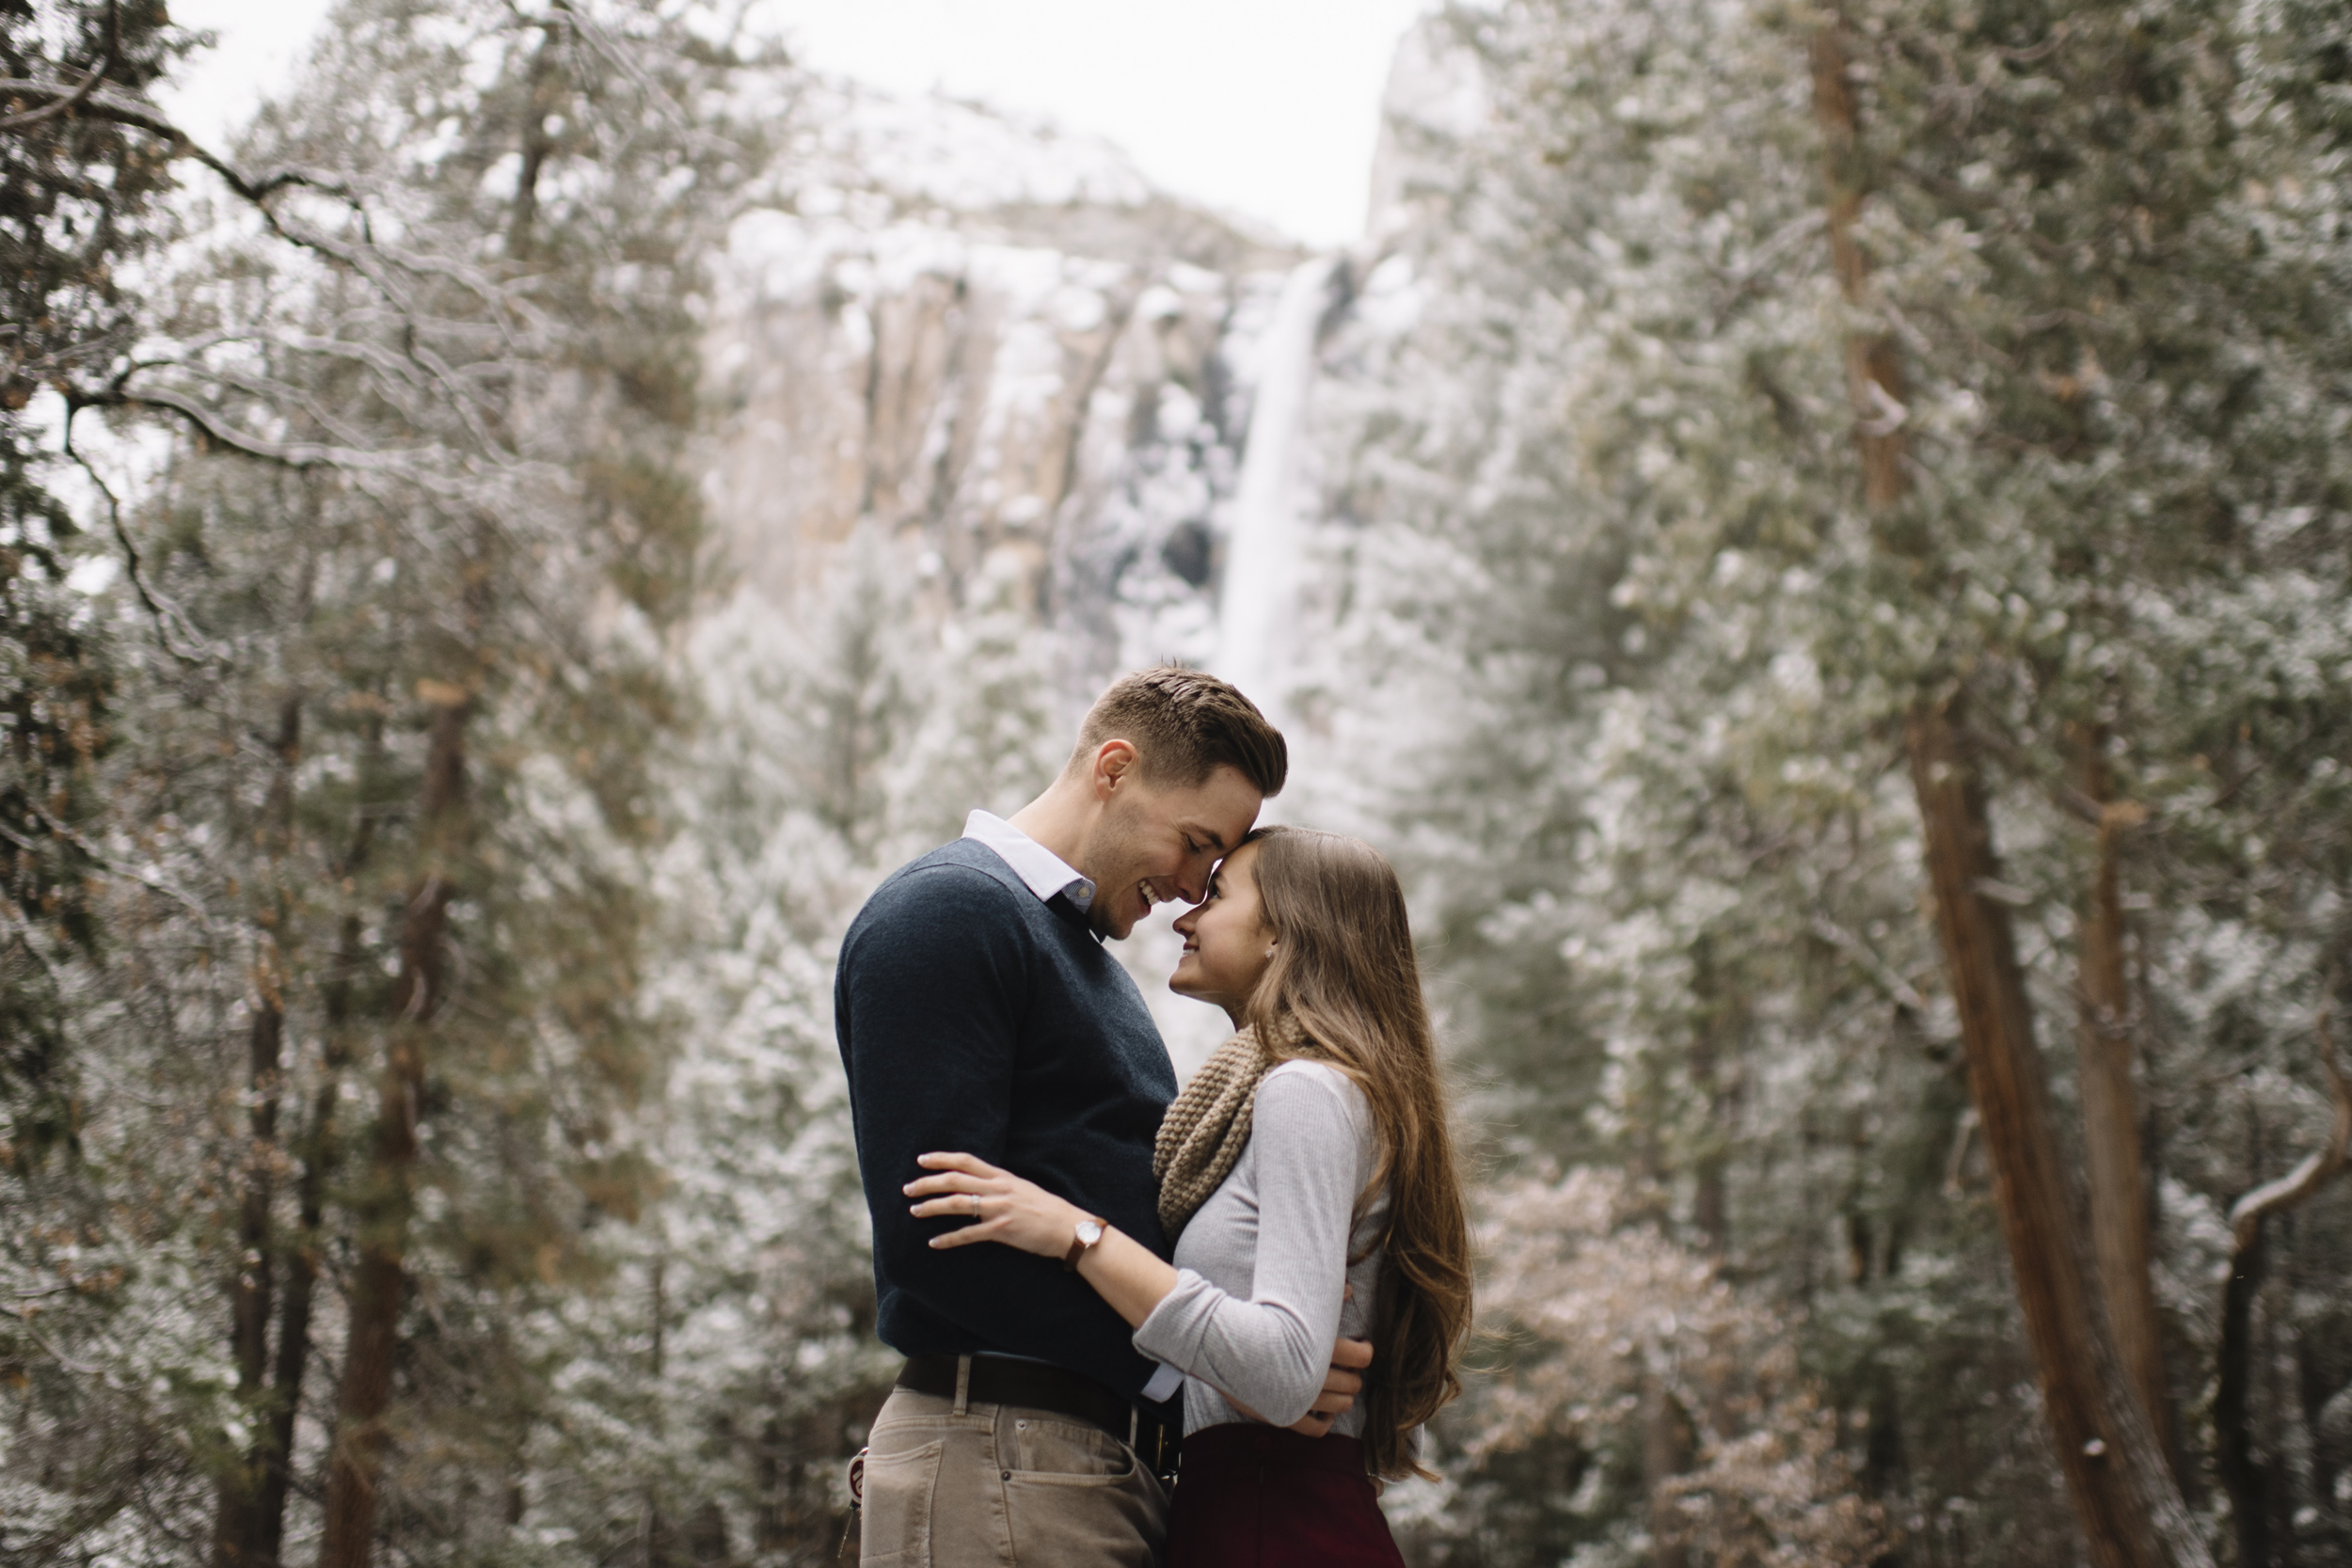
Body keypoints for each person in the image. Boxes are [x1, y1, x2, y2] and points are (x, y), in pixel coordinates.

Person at [835, 668, 1371, 1568]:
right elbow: (939, 1237)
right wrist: (1212, 1371)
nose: (1196, 887)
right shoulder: (951, 911)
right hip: (1005, 1455)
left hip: (1072, 1470)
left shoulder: (1080, 955)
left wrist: (1253, 1361)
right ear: (1114, 768)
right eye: (1196, 842)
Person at [909, 826, 1475, 1566]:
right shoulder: (1314, 1095)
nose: (1185, 916)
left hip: (1274, 1523)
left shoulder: (1304, 1089)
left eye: (1217, 895)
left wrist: (1078, 1234)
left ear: (1286, 933)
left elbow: (1283, 1371)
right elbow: (1307, 1377)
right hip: (1258, 1510)